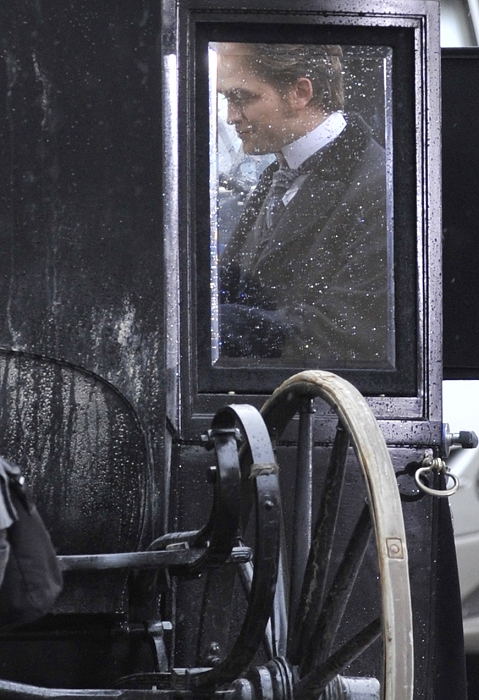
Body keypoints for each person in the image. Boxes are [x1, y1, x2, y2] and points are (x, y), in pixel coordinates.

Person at [216, 42, 391, 366]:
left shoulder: (380, 188)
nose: (230, 117)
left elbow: (348, 336)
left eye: (242, 97)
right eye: (227, 99)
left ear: (300, 93)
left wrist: (216, 325)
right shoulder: (277, 174)